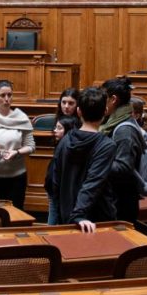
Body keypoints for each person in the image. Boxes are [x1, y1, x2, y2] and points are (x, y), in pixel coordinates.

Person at [48, 86, 116, 232]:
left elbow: (56, 180)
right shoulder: (106, 145)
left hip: (67, 212)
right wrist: (78, 215)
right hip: (93, 217)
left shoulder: (65, 139)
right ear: (105, 111)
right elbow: (93, 182)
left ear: (78, 111)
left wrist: (65, 213)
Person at [100, 75, 147, 224]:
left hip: (121, 202)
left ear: (113, 99)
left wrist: (94, 163)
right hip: (115, 197)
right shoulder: (113, 121)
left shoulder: (124, 130)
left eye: (104, 98)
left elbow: (123, 167)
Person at [0, 79, 35, 210]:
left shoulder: (21, 118)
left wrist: (17, 152)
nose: (7, 99)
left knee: (15, 214)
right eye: (2, 95)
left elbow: (31, 146)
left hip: (16, 177)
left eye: (9, 95)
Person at [44, 115, 80, 224]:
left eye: (59, 128)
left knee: (54, 215)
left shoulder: (67, 146)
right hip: (55, 189)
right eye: (55, 127)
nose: (55, 130)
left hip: (58, 190)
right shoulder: (63, 144)